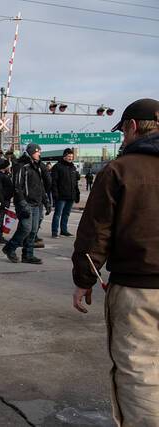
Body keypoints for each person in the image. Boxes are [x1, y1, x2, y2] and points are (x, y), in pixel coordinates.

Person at [72, 98, 159, 425]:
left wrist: (84, 280)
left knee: (141, 372)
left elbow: (96, 234)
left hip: (140, 289)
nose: (123, 138)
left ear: (133, 127)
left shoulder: (120, 169)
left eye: (123, 131)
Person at [2, 143, 50, 264]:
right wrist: (22, 203)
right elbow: (17, 186)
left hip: (37, 203)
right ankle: (10, 248)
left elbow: (41, 186)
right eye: (37, 151)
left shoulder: (38, 167)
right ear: (31, 152)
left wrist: (46, 202)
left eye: (39, 151)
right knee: (25, 229)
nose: (39, 154)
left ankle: (28, 255)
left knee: (33, 230)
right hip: (25, 203)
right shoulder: (21, 166)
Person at [50, 148, 80, 238]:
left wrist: (77, 194)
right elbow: (54, 182)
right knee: (57, 214)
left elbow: (75, 183)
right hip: (61, 195)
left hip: (70, 195)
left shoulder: (73, 167)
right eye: (68, 156)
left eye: (71, 156)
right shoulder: (57, 167)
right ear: (64, 156)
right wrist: (55, 194)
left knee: (66, 214)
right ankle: (55, 232)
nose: (70, 158)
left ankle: (64, 230)